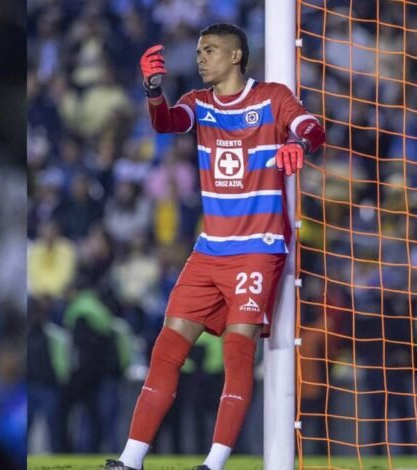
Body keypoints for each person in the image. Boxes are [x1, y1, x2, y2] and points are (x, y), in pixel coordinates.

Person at [105, 23, 325, 470]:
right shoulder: (199, 104)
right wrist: (151, 90)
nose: (201, 58)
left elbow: (311, 127)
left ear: (236, 56)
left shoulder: (272, 97)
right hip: (210, 250)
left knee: (237, 351)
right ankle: (130, 461)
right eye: (200, 50)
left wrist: (298, 144)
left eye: (210, 50)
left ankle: (215, 462)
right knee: (166, 349)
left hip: (258, 249)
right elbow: (167, 122)